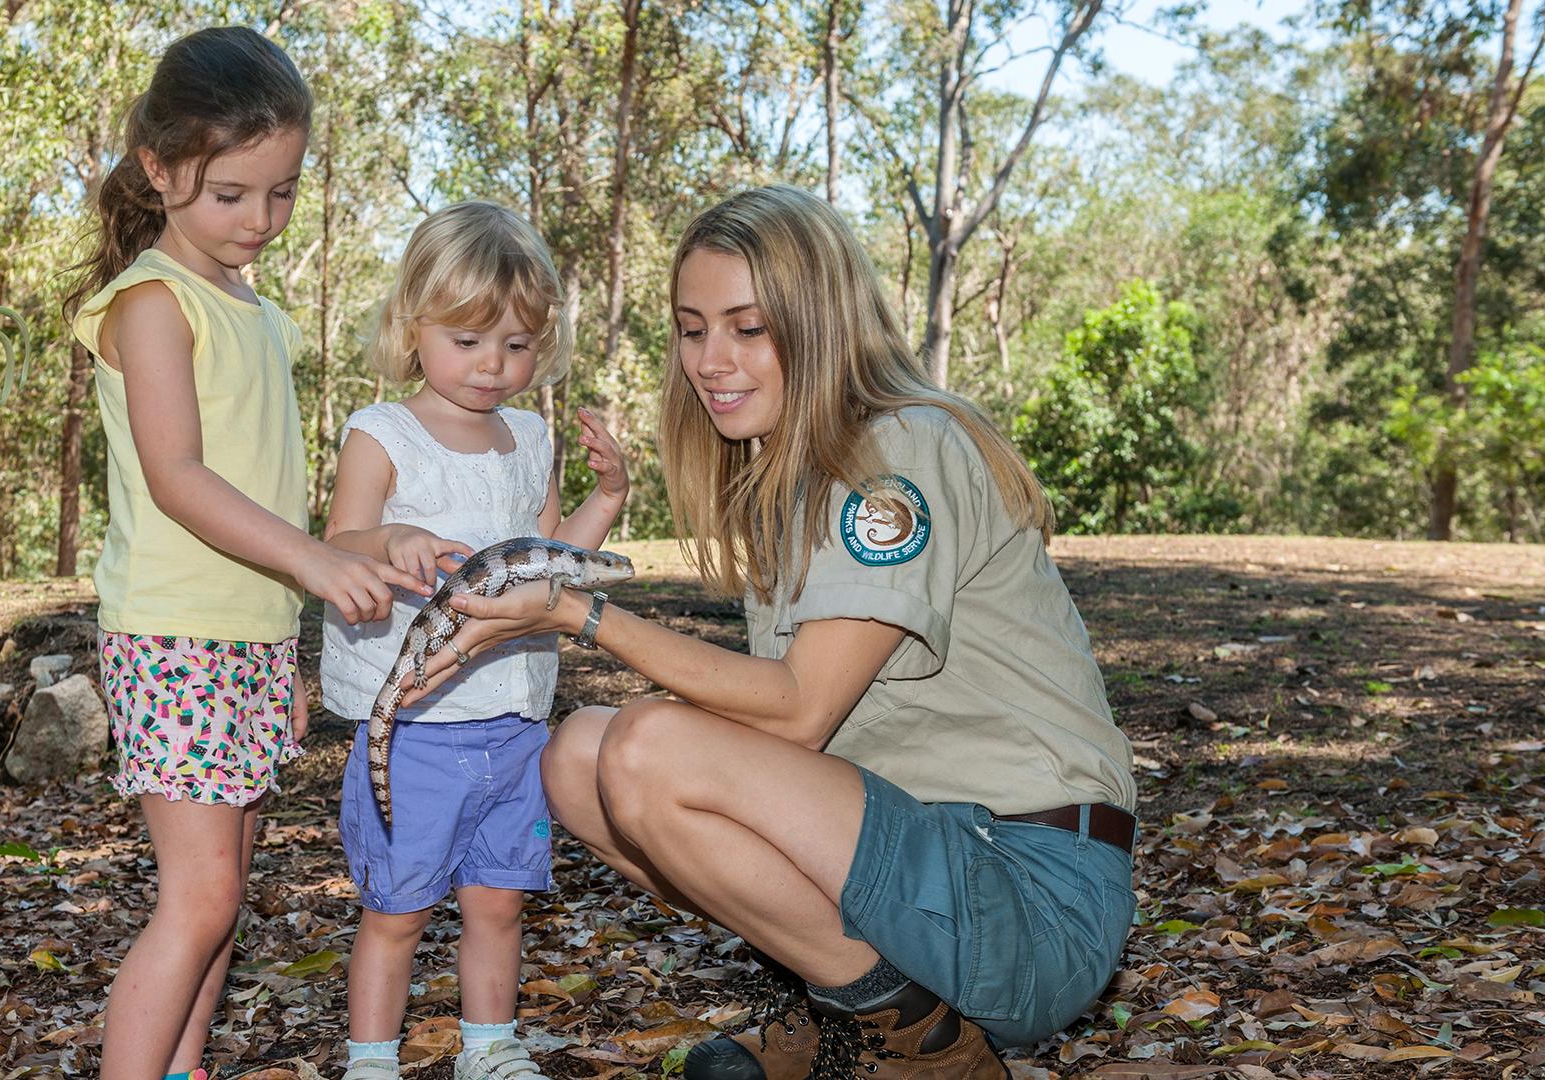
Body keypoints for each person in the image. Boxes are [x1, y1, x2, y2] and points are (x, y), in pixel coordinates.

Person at [403, 185, 1137, 1079]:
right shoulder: (790, 481)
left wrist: (577, 610)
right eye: (692, 328)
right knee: (577, 756)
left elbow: (796, 715)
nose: (711, 360)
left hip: (1027, 892)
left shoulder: (899, 451)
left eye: (749, 329)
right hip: (923, 864)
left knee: (642, 746)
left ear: (820, 323)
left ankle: (920, 1043)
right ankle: (849, 1002)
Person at [64, 27, 425, 1080]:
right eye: (232, 193)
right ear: (160, 168)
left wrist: (297, 632)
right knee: (202, 895)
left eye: (281, 192)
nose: (260, 220)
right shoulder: (150, 303)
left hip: (245, 639)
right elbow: (178, 477)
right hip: (171, 633)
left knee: (226, 895)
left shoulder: (253, 309)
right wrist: (315, 564)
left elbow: (264, 495)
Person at [320, 202, 630, 1080]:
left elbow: (554, 565)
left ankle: (489, 1050)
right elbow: (338, 542)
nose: (495, 365)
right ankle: (372, 1060)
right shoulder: (384, 433)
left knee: (498, 902)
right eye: (468, 341)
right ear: (412, 327)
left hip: (514, 721)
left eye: (519, 346)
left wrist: (606, 498)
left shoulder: (528, 436)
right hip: (414, 724)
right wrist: (390, 542)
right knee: (398, 907)